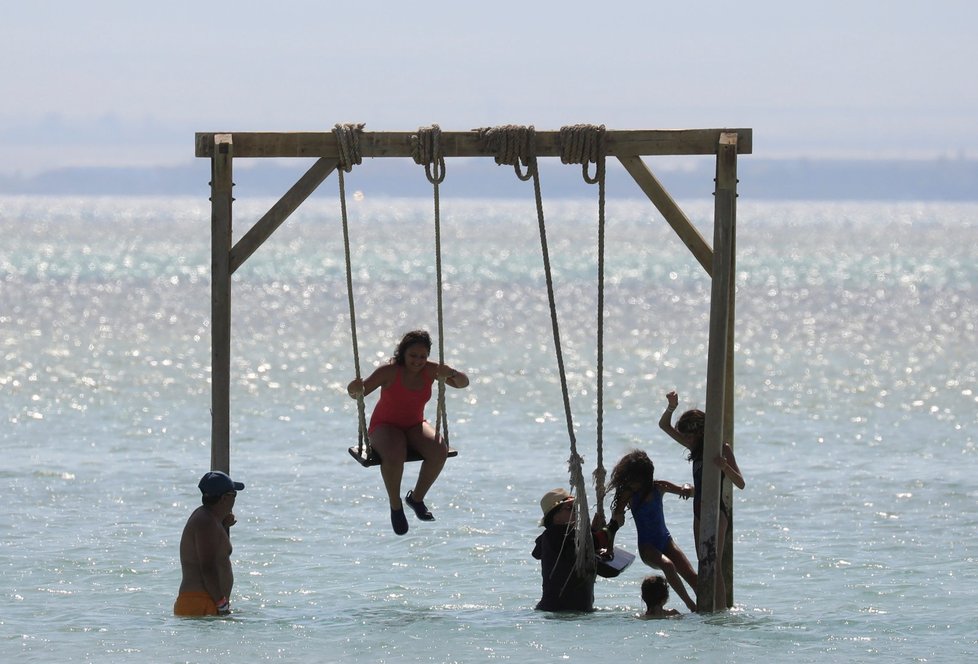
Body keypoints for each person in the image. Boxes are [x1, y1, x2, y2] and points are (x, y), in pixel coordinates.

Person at [347, 330, 469, 535]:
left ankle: (416, 499)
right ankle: (396, 506)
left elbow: (463, 383)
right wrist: (353, 387)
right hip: (384, 425)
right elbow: (357, 393)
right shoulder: (389, 371)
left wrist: (452, 373)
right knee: (395, 455)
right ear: (403, 353)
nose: (418, 361)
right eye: (413, 355)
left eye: (422, 356)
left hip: (414, 424)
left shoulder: (432, 370)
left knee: (439, 450)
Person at [659, 390, 745, 609]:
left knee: (713, 561)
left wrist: (724, 465)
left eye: (689, 435)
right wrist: (672, 407)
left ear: (698, 431)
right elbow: (664, 426)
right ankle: (707, 608)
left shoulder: (721, 448)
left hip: (718, 509)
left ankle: (722, 610)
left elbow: (741, 483)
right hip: (699, 508)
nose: (686, 439)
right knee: (703, 560)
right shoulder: (695, 448)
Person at [607, 449, 699, 613]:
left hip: (666, 541)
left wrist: (686, 487)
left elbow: (689, 491)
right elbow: (615, 524)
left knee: (694, 578)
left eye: (634, 479)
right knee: (668, 565)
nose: (631, 483)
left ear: (645, 478)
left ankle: (708, 613)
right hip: (647, 547)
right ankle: (691, 606)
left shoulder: (659, 487)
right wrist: (609, 548)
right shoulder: (628, 494)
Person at [174, 470, 244, 617]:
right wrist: (222, 605)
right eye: (234, 495)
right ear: (225, 498)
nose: (235, 500)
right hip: (200, 603)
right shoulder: (205, 522)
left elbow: (216, 552)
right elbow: (207, 567)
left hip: (206, 602)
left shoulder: (210, 520)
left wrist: (223, 525)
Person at [531, 488, 607, 612]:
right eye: (570, 508)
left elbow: (582, 547)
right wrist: (612, 526)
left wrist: (593, 532)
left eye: (576, 507)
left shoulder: (552, 537)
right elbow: (590, 547)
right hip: (563, 610)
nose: (576, 511)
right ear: (555, 517)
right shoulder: (557, 533)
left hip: (557, 609)